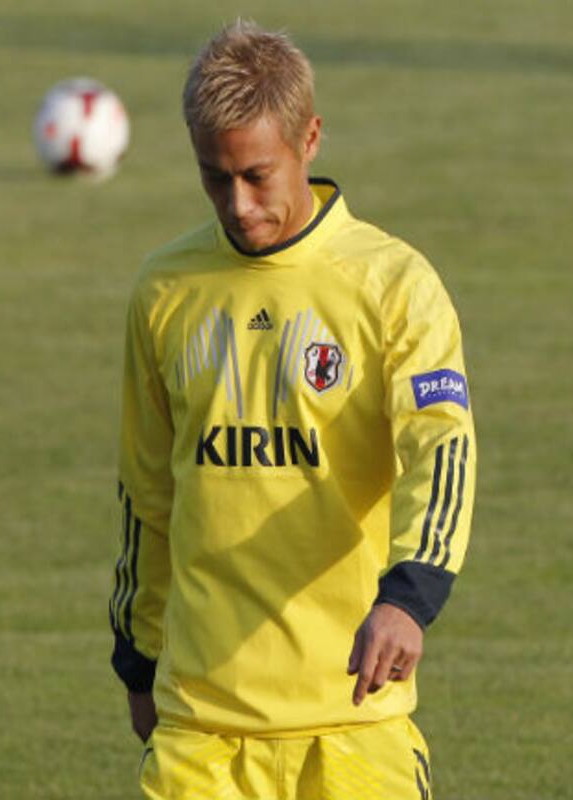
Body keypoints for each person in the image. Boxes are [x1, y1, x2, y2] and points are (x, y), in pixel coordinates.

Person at [108, 20, 475, 799]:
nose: (237, 206)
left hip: (352, 718)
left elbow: (440, 452)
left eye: (256, 175)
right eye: (214, 178)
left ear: (310, 138)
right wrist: (139, 658)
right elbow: (147, 496)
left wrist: (409, 598)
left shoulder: (393, 284)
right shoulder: (165, 290)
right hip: (200, 723)